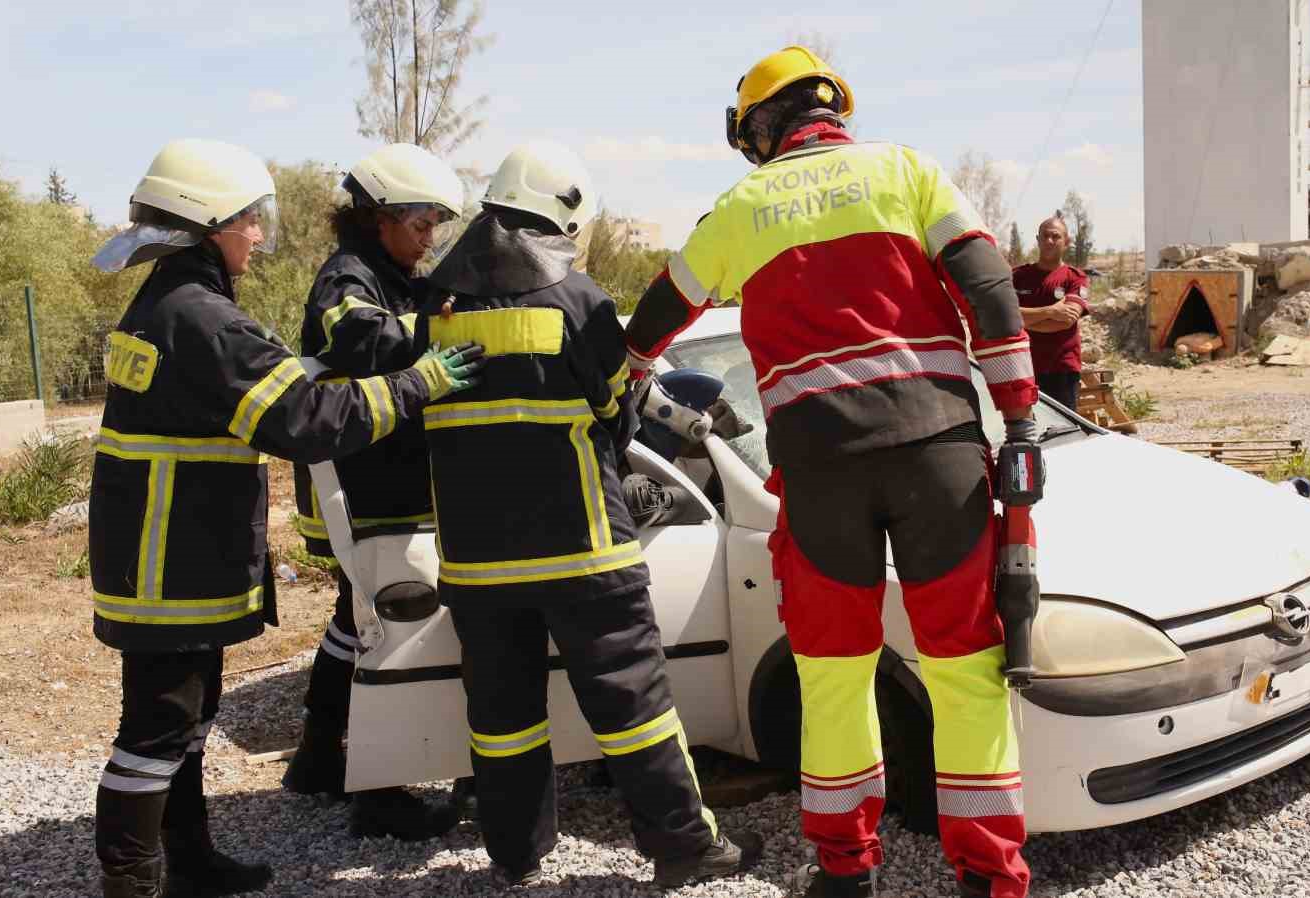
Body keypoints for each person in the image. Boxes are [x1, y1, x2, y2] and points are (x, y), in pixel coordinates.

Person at [622, 46, 1042, 898]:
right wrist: (1022, 416)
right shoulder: (908, 172)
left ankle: (848, 874)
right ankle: (991, 877)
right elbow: (991, 291)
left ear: (762, 129)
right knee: (966, 672)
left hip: (819, 473)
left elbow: (665, 307)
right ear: (830, 109)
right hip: (940, 455)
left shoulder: (742, 205)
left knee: (834, 676)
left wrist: (627, 365)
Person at [86, 138, 485, 898]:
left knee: (189, 725)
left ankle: (191, 864)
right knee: (156, 734)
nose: (260, 237)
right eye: (248, 221)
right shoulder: (201, 319)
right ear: (208, 224)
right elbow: (303, 417)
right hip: (172, 557)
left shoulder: (170, 307)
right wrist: (419, 382)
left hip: (168, 552)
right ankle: (131, 884)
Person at [420, 140, 761, 889]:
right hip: (584, 553)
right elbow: (619, 411)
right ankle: (684, 850)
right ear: (564, 219)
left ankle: (514, 854)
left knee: (503, 719)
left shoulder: (432, 306)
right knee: (634, 708)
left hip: (475, 564)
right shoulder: (577, 300)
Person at [283, 143, 469, 839]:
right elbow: (355, 336)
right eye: (421, 223)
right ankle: (381, 791)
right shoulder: (348, 279)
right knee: (391, 630)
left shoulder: (391, 274)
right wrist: (433, 333)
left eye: (435, 227)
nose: (429, 239)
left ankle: (319, 759)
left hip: (374, 487)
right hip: (370, 492)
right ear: (378, 216)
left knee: (350, 624)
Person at [1011, 215, 1089, 410]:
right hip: (1023, 367)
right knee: (1026, 431)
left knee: (1064, 433)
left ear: (1067, 242)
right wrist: (1051, 311)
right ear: (1037, 239)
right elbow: (1006, 316)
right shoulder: (1017, 277)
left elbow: (1066, 321)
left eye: (1056, 237)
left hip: (1061, 369)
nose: (1049, 241)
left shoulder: (1075, 278)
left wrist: (1023, 318)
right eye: (1044, 236)